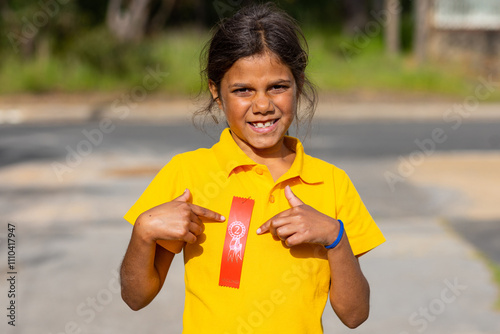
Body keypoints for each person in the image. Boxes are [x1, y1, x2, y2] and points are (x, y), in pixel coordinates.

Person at [120, 3, 385, 333]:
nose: (262, 105)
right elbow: (135, 297)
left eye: (277, 86)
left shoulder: (331, 182)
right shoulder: (187, 173)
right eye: (243, 90)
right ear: (216, 92)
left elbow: (355, 315)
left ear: (299, 84)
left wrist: (335, 238)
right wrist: (142, 231)